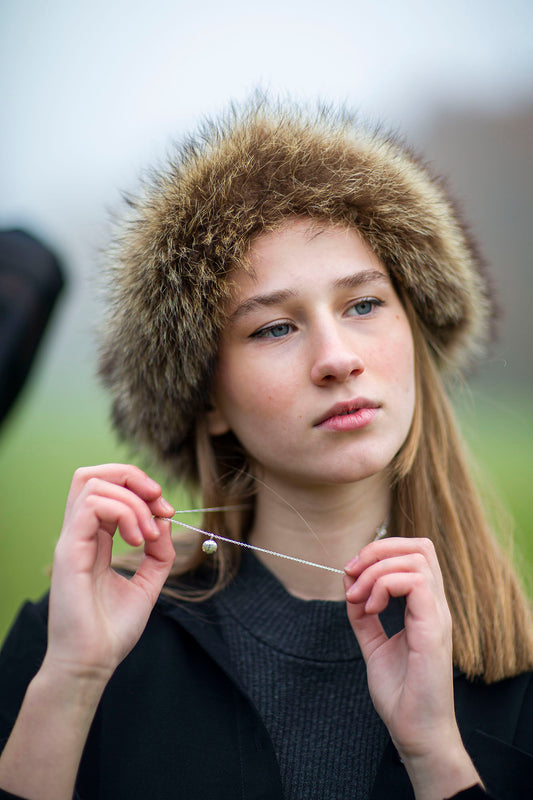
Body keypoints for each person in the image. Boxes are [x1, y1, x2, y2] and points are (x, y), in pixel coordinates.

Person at [0, 98, 532, 800]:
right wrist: (71, 680)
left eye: (363, 305)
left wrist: (434, 754)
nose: (336, 358)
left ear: (415, 334)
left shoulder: (514, 680)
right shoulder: (75, 639)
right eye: (274, 328)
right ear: (209, 399)